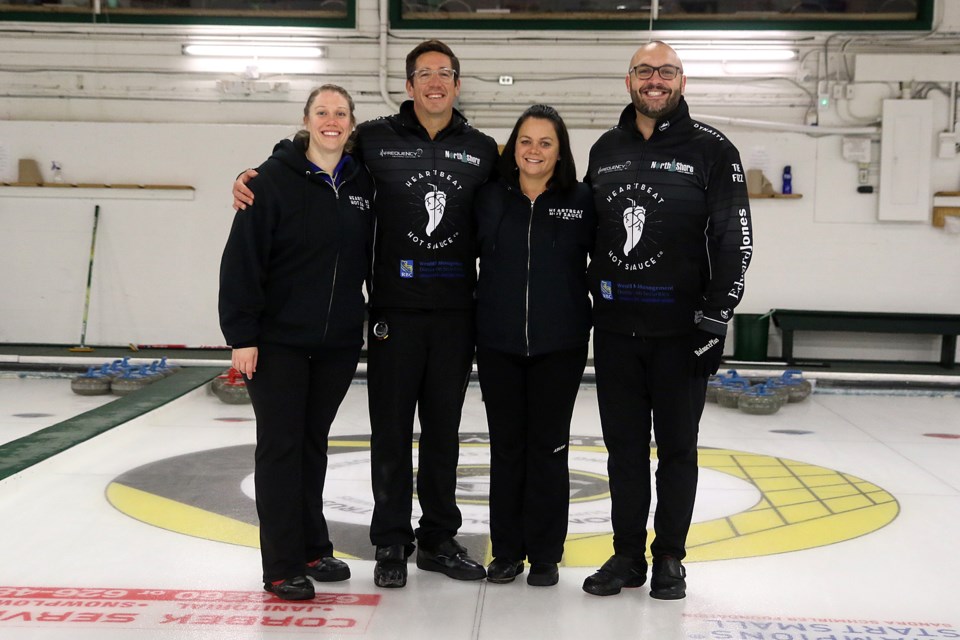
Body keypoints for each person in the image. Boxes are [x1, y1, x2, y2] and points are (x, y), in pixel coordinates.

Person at [233, 40, 499, 589]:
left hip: (454, 313)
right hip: (391, 314)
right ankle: (391, 542)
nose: (434, 82)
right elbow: (307, 152)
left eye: (444, 73)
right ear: (408, 86)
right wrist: (253, 173)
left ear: (457, 83)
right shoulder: (375, 139)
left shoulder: (482, 149)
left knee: (445, 433)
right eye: (423, 73)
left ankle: (439, 538)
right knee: (390, 432)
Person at [581, 41, 753, 600]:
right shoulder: (605, 149)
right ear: (628, 80)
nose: (655, 80)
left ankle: (670, 558)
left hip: (682, 337)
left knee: (678, 450)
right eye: (645, 72)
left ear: (682, 80)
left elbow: (735, 241)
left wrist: (714, 321)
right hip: (614, 333)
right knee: (623, 451)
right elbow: (589, 235)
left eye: (667, 72)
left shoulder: (713, 149)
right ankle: (627, 555)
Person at [219, 85, 374, 601]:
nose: (332, 120)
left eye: (341, 113)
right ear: (306, 120)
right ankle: (282, 565)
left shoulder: (361, 182)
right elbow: (242, 262)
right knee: (282, 450)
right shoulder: (269, 182)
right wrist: (242, 336)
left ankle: (312, 546)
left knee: (313, 446)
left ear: (352, 123)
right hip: (278, 342)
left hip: (335, 343)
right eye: (322, 112)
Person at [473, 105, 594, 587]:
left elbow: (605, 263)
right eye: (526, 140)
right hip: (499, 344)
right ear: (513, 146)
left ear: (560, 150)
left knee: (548, 450)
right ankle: (506, 552)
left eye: (545, 142)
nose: (534, 151)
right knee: (506, 450)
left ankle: (545, 554)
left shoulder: (582, 200)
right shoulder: (488, 198)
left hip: (559, 346)